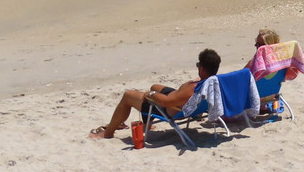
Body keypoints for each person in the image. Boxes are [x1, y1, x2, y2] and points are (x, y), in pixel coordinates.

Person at [89, 48, 221, 139]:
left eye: (198, 65)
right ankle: (147, 124)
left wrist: (151, 94)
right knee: (155, 86)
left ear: (202, 69)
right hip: (184, 102)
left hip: (170, 108)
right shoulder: (213, 83)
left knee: (128, 95)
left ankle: (108, 133)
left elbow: (167, 102)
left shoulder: (193, 89)